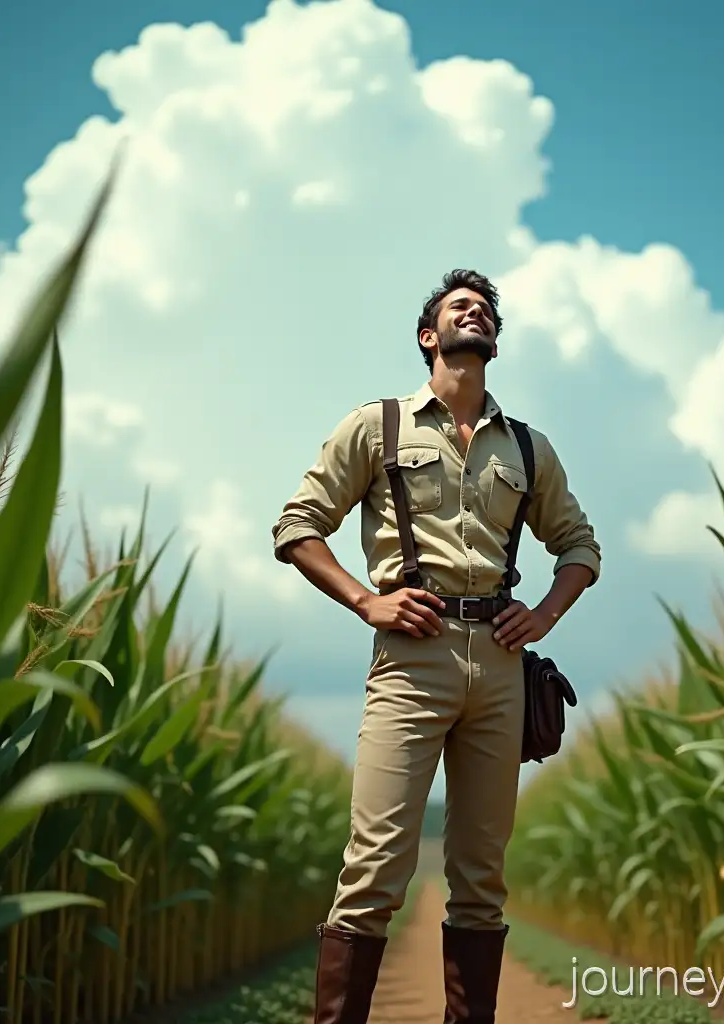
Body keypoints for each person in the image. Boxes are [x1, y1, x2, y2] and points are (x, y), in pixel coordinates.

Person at [271, 269, 601, 1023]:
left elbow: (580, 546)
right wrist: (365, 600)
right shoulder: (377, 426)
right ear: (431, 337)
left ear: (494, 339)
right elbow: (296, 526)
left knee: (482, 878)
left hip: (502, 664)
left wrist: (545, 615)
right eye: (461, 307)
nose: (476, 312)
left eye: (486, 309)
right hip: (410, 660)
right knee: (377, 866)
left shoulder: (527, 446)